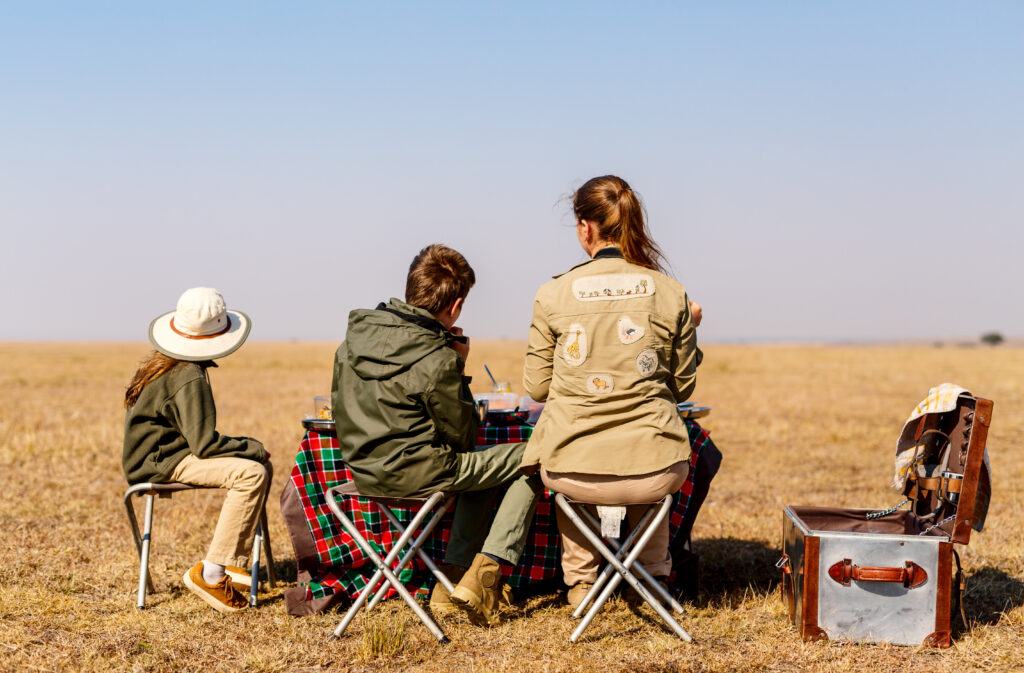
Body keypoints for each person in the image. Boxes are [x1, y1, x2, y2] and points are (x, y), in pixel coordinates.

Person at [332, 243, 542, 627]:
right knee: (534, 454)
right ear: (456, 306)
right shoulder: (438, 357)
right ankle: (484, 578)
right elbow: (462, 437)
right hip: (422, 474)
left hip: (362, 473)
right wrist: (458, 366)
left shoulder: (351, 344)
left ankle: (451, 581)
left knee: (484, 466)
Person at [522, 175, 702, 607]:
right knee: (652, 455)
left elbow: (537, 387)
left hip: (572, 468)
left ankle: (582, 584)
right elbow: (682, 388)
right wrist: (691, 331)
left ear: (585, 228)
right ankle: (652, 574)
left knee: (576, 458)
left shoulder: (552, 293)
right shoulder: (671, 292)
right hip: (657, 470)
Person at [122, 287, 272, 614]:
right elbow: (204, 445)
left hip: (157, 456)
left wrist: (245, 448)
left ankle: (233, 565)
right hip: (163, 461)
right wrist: (252, 447)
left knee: (252, 466)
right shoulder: (188, 375)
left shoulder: (164, 363)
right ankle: (214, 572)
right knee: (252, 472)